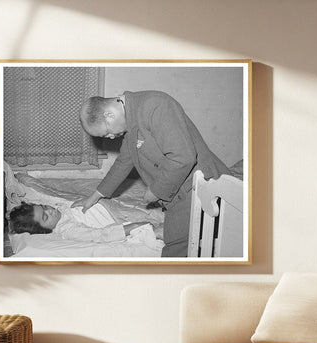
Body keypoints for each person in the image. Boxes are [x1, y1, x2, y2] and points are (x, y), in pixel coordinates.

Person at [72, 90, 231, 257]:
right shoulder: (132, 121)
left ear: (109, 115)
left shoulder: (155, 105)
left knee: (173, 252)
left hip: (201, 187)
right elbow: (124, 162)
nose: (111, 137)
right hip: (180, 191)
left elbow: (183, 157)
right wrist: (94, 197)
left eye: (106, 133)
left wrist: (156, 191)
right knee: (173, 242)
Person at [8, 202, 150, 243]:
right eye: (45, 217)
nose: (50, 211)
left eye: (45, 207)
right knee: (156, 218)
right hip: (120, 218)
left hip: (116, 206)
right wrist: (130, 228)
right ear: (44, 229)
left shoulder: (60, 211)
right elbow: (99, 235)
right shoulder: (68, 230)